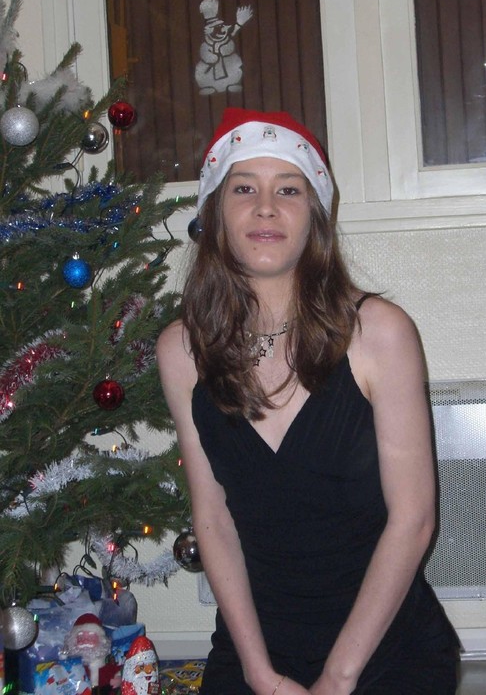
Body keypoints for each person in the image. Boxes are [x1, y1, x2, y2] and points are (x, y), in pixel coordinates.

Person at [157, 108, 460, 695]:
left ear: (315, 215)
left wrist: (339, 678)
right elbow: (212, 518)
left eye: (288, 189)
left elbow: (413, 520)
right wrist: (258, 673)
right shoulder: (181, 349)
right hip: (255, 648)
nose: (266, 207)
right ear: (215, 213)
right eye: (244, 188)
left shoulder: (379, 333)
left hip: (384, 648)